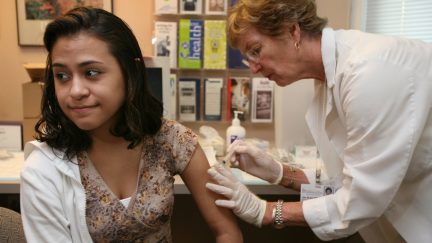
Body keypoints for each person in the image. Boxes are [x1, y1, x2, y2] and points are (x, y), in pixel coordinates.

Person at [206, 0, 432, 242]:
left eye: (255, 50)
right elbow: (346, 180)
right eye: (247, 58)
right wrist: (279, 172)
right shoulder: (328, 80)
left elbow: (359, 199)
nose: (253, 68)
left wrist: (267, 211)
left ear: (292, 31)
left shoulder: (367, 72)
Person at [20, 7, 243, 243]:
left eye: (92, 72)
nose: (75, 91)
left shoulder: (170, 139)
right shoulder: (43, 169)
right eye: (62, 76)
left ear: (130, 71)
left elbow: (227, 232)